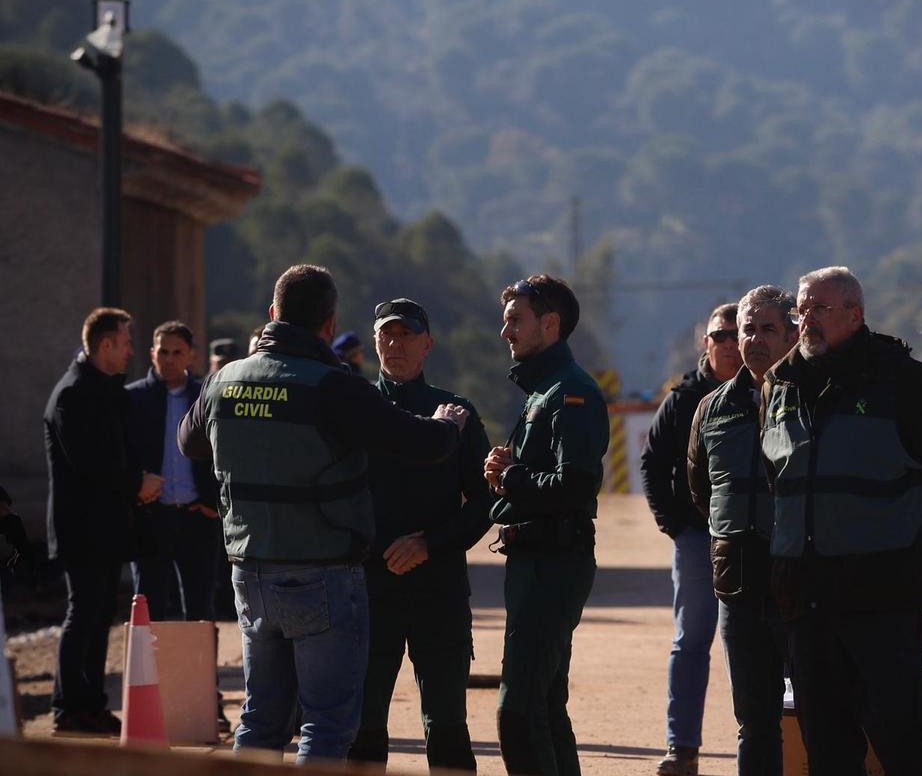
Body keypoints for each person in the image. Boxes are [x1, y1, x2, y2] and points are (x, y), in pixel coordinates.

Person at [178, 264, 469, 763]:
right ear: (330, 325)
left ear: (272, 314)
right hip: (322, 574)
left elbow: (190, 445)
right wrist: (446, 425)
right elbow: (420, 443)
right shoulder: (334, 385)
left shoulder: (224, 379)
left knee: (261, 718)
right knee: (327, 725)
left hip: (250, 572)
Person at [760, 267, 922, 776]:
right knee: (826, 747)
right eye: (800, 310)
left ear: (855, 315)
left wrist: (909, 540)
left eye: (820, 309)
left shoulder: (904, 380)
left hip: (882, 599)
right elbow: (779, 479)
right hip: (806, 602)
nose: (805, 320)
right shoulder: (779, 384)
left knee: (900, 740)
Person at [347, 298, 493, 770]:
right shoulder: (355, 409)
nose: (396, 344)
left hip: (439, 589)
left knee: (447, 724)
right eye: (387, 334)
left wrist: (428, 544)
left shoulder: (457, 414)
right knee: (363, 726)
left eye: (407, 334)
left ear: (427, 344)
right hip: (370, 590)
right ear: (374, 342)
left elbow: (487, 501)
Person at [482, 274, 609, 775]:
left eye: (516, 319)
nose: (504, 331)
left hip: (552, 565)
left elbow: (576, 485)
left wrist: (513, 476)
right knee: (545, 708)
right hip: (533, 562)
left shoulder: (571, 392)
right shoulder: (543, 390)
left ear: (550, 324)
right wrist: (510, 473)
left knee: (517, 713)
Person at [687, 285, 797, 775]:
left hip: (802, 583)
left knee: (819, 715)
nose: (753, 339)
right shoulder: (712, 408)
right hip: (739, 585)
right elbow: (700, 487)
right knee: (754, 722)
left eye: (767, 329)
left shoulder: (813, 397)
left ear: (794, 334)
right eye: (746, 330)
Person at [44, 308, 164, 735]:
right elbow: (89, 463)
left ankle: (90, 704)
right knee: (84, 614)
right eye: (126, 342)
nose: (132, 350)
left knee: (98, 618)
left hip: (106, 527)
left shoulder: (104, 389)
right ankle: (68, 708)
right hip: (82, 529)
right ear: (105, 345)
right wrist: (138, 483)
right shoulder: (73, 393)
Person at [641, 302, 741, 776]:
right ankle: (682, 749)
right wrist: (674, 525)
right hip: (698, 539)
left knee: (765, 644)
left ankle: (772, 747)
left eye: (737, 335)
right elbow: (653, 464)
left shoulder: (773, 392)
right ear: (706, 343)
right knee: (692, 639)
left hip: (756, 537)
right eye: (721, 336)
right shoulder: (683, 401)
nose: (730, 344)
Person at [126, 321, 221, 622]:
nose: (168, 359)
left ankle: (200, 670)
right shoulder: (132, 398)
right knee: (149, 607)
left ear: (191, 355)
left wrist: (214, 502)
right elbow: (122, 454)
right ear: (152, 353)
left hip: (197, 517)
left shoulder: (206, 395)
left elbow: (224, 451)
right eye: (162, 352)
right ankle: (151, 670)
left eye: (176, 352)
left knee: (199, 609)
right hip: (152, 517)